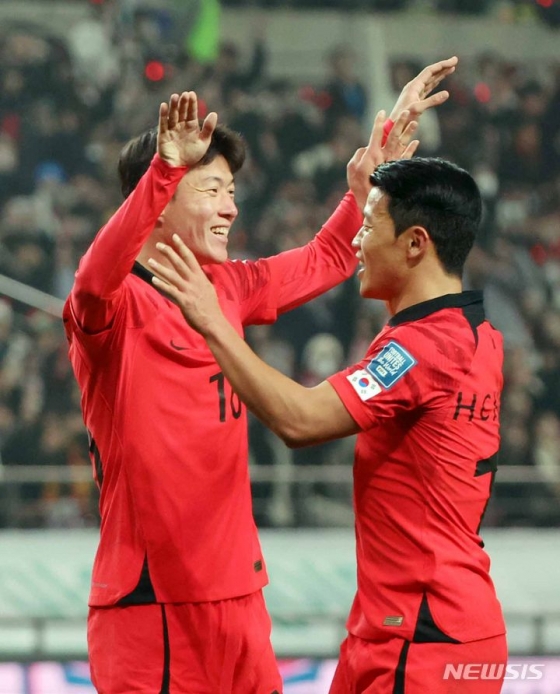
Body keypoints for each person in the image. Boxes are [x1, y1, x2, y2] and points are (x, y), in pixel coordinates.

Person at [63, 56, 458, 694]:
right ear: (155, 202)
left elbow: (327, 256)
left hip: (238, 595)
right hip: (148, 605)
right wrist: (164, 169)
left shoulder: (229, 287)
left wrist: (371, 183)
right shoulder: (113, 306)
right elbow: (91, 278)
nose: (230, 208)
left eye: (232, 192)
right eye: (211, 191)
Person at [150, 155, 507, 693]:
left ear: (415, 243)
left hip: (424, 634)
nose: (358, 242)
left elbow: (300, 420)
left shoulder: (426, 346)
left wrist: (212, 321)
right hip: (405, 625)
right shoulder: (472, 333)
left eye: (370, 224)